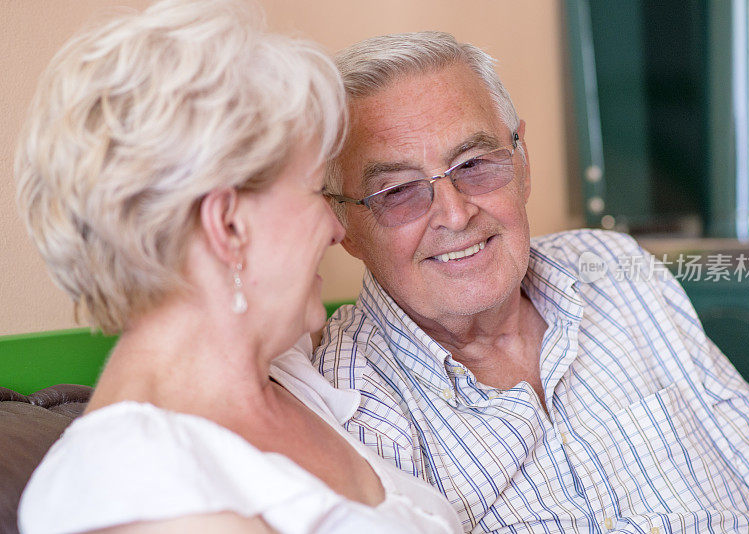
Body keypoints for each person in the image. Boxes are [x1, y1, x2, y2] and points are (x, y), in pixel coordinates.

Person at [313, 31, 749, 533]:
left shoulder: (612, 265)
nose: (455, 214)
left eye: (475, 165)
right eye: (397, 191)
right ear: (344, 226)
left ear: (522, 163)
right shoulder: (351, 398)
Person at [14, 4, 461, 533]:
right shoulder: (137, 484)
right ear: (226, 225)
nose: (338, 228)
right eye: (317, 190)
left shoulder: (287, 377)